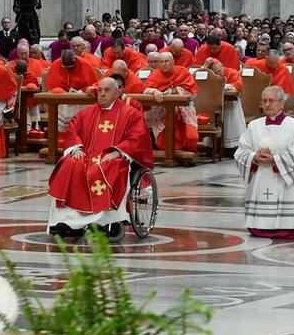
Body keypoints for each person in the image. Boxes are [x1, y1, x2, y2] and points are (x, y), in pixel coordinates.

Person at [46, 77, 154, 242]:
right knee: (69, 165)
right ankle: (66, 222)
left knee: (108, 166)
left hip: (113, 156)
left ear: (117, 92)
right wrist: (76, 148)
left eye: (107, 91)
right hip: (86, 155)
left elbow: (138, 137)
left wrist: (119, 152)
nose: (102, 94)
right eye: (100, 90)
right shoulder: (87, 113)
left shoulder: (130, 114)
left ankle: (105, 222)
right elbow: (73, 129)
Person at [234, 86, 294, 240]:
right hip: (260, 177)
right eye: (264, 101)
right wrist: (254, 157)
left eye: (272, 101)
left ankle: (287, 225)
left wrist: (274, 160)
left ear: (282, 103)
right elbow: (240, 152)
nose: (268, 104)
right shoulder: (254, 126)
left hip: (284, 182)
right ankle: (261, 224)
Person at [144, 51, 199, 153]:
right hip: (163, 112)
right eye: (161, 62)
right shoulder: (155, 74)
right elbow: (146, 89)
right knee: (163, 141)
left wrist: (176, 90)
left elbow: (192, 92)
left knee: (190, 136)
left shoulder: (183, 71)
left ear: (172, 62)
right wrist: (154, 91)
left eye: (166, 61)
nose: (164, 64)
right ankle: (170, 152)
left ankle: (187, 150)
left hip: (183, 110)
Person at [45, 50, 99, 134]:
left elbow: (92, 85)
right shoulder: (56, 64)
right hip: (61, 99)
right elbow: (52, 85)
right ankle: (61, 134)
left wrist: (82, 91)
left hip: (80, 99)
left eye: (70, 66)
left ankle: (79, 132)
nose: (68, 69)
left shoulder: (84, 64)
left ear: (75, 60)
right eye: (65, 66)